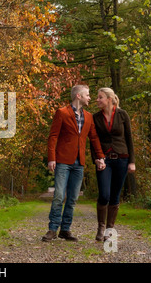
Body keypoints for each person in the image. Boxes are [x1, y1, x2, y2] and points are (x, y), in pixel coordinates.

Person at [42, 85, 106, 242]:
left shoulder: (89, 117)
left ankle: (65, 229)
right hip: (63, 161)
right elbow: (53, 137)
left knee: (72, 198)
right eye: (88, 95)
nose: (90, 98)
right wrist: (51, 158)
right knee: (58, 196)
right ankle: (52, 229)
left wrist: (100, 157)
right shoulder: (62, 113)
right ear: (78, 96)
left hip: (79, 163)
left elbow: (94, 138)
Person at [92, 87, 136, 241]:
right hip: (104, 160)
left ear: (109, 99)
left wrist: (132, 162)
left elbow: (129, 138)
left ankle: (109, 229)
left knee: (115, 196)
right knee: (104, 195)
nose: (97, 100)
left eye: (100, 97)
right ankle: (101, 226)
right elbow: (93, 141)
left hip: (122, 159)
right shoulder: (95, 117)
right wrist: (97, 159)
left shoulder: (122, 114)